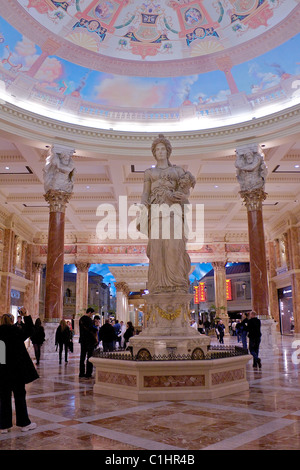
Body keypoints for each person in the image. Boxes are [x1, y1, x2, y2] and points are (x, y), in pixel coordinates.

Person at [138, 134, 195, 295]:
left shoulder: (177, 171)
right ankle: (158, 284)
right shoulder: (149, 172)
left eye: (163, 149)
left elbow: (185, 192)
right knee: (157, 250)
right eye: (158, 149)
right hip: (156, 213)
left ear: (168, 151)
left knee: (174, 247)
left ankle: (177, 283)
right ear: (154, 153)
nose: (161, 152)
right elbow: (145, 193)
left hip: (173, 213)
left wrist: (183, 197)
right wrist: (143, 208)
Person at [0, 309, 38, 433]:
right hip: (17, 370)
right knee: (20, 396)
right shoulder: (16, 331)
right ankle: (24, 424)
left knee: (4, 397)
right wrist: (26, 316)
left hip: (3, 370)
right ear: (12, 321)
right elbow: (31, 330)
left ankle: (4, 426)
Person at [79, 307, 97, 378]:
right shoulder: (89, 320)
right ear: (89, 312)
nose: (92, 316)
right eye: (92, 314)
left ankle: (81, 373)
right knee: (89, 357)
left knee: (82, 357)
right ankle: (88, 373)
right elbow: (92, 329)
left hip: (82, 340)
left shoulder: (81, 319)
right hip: (89, 340)